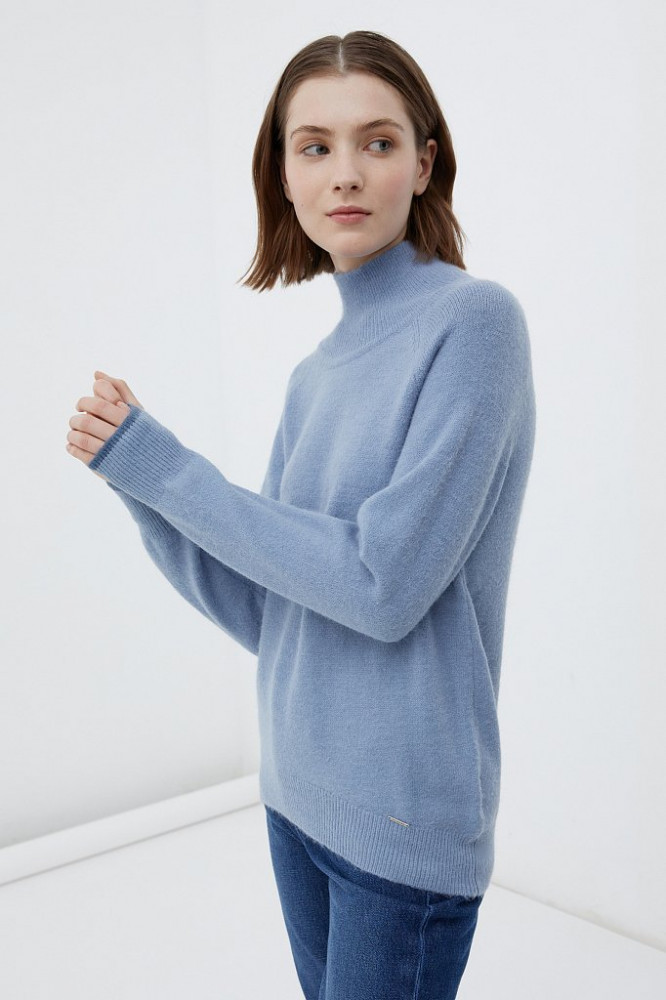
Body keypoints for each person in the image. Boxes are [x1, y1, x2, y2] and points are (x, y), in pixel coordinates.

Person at [65, 29, 536, 1000]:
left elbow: (383, 586)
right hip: (294, 797)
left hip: (401, 824)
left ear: (423, 163)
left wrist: (172, 471)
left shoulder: (475, 324)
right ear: (283, 175)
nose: (345, 172)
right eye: (314, 146)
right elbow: (268, 612)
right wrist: (139, 483)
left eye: (377, 141)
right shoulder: (312, 378)